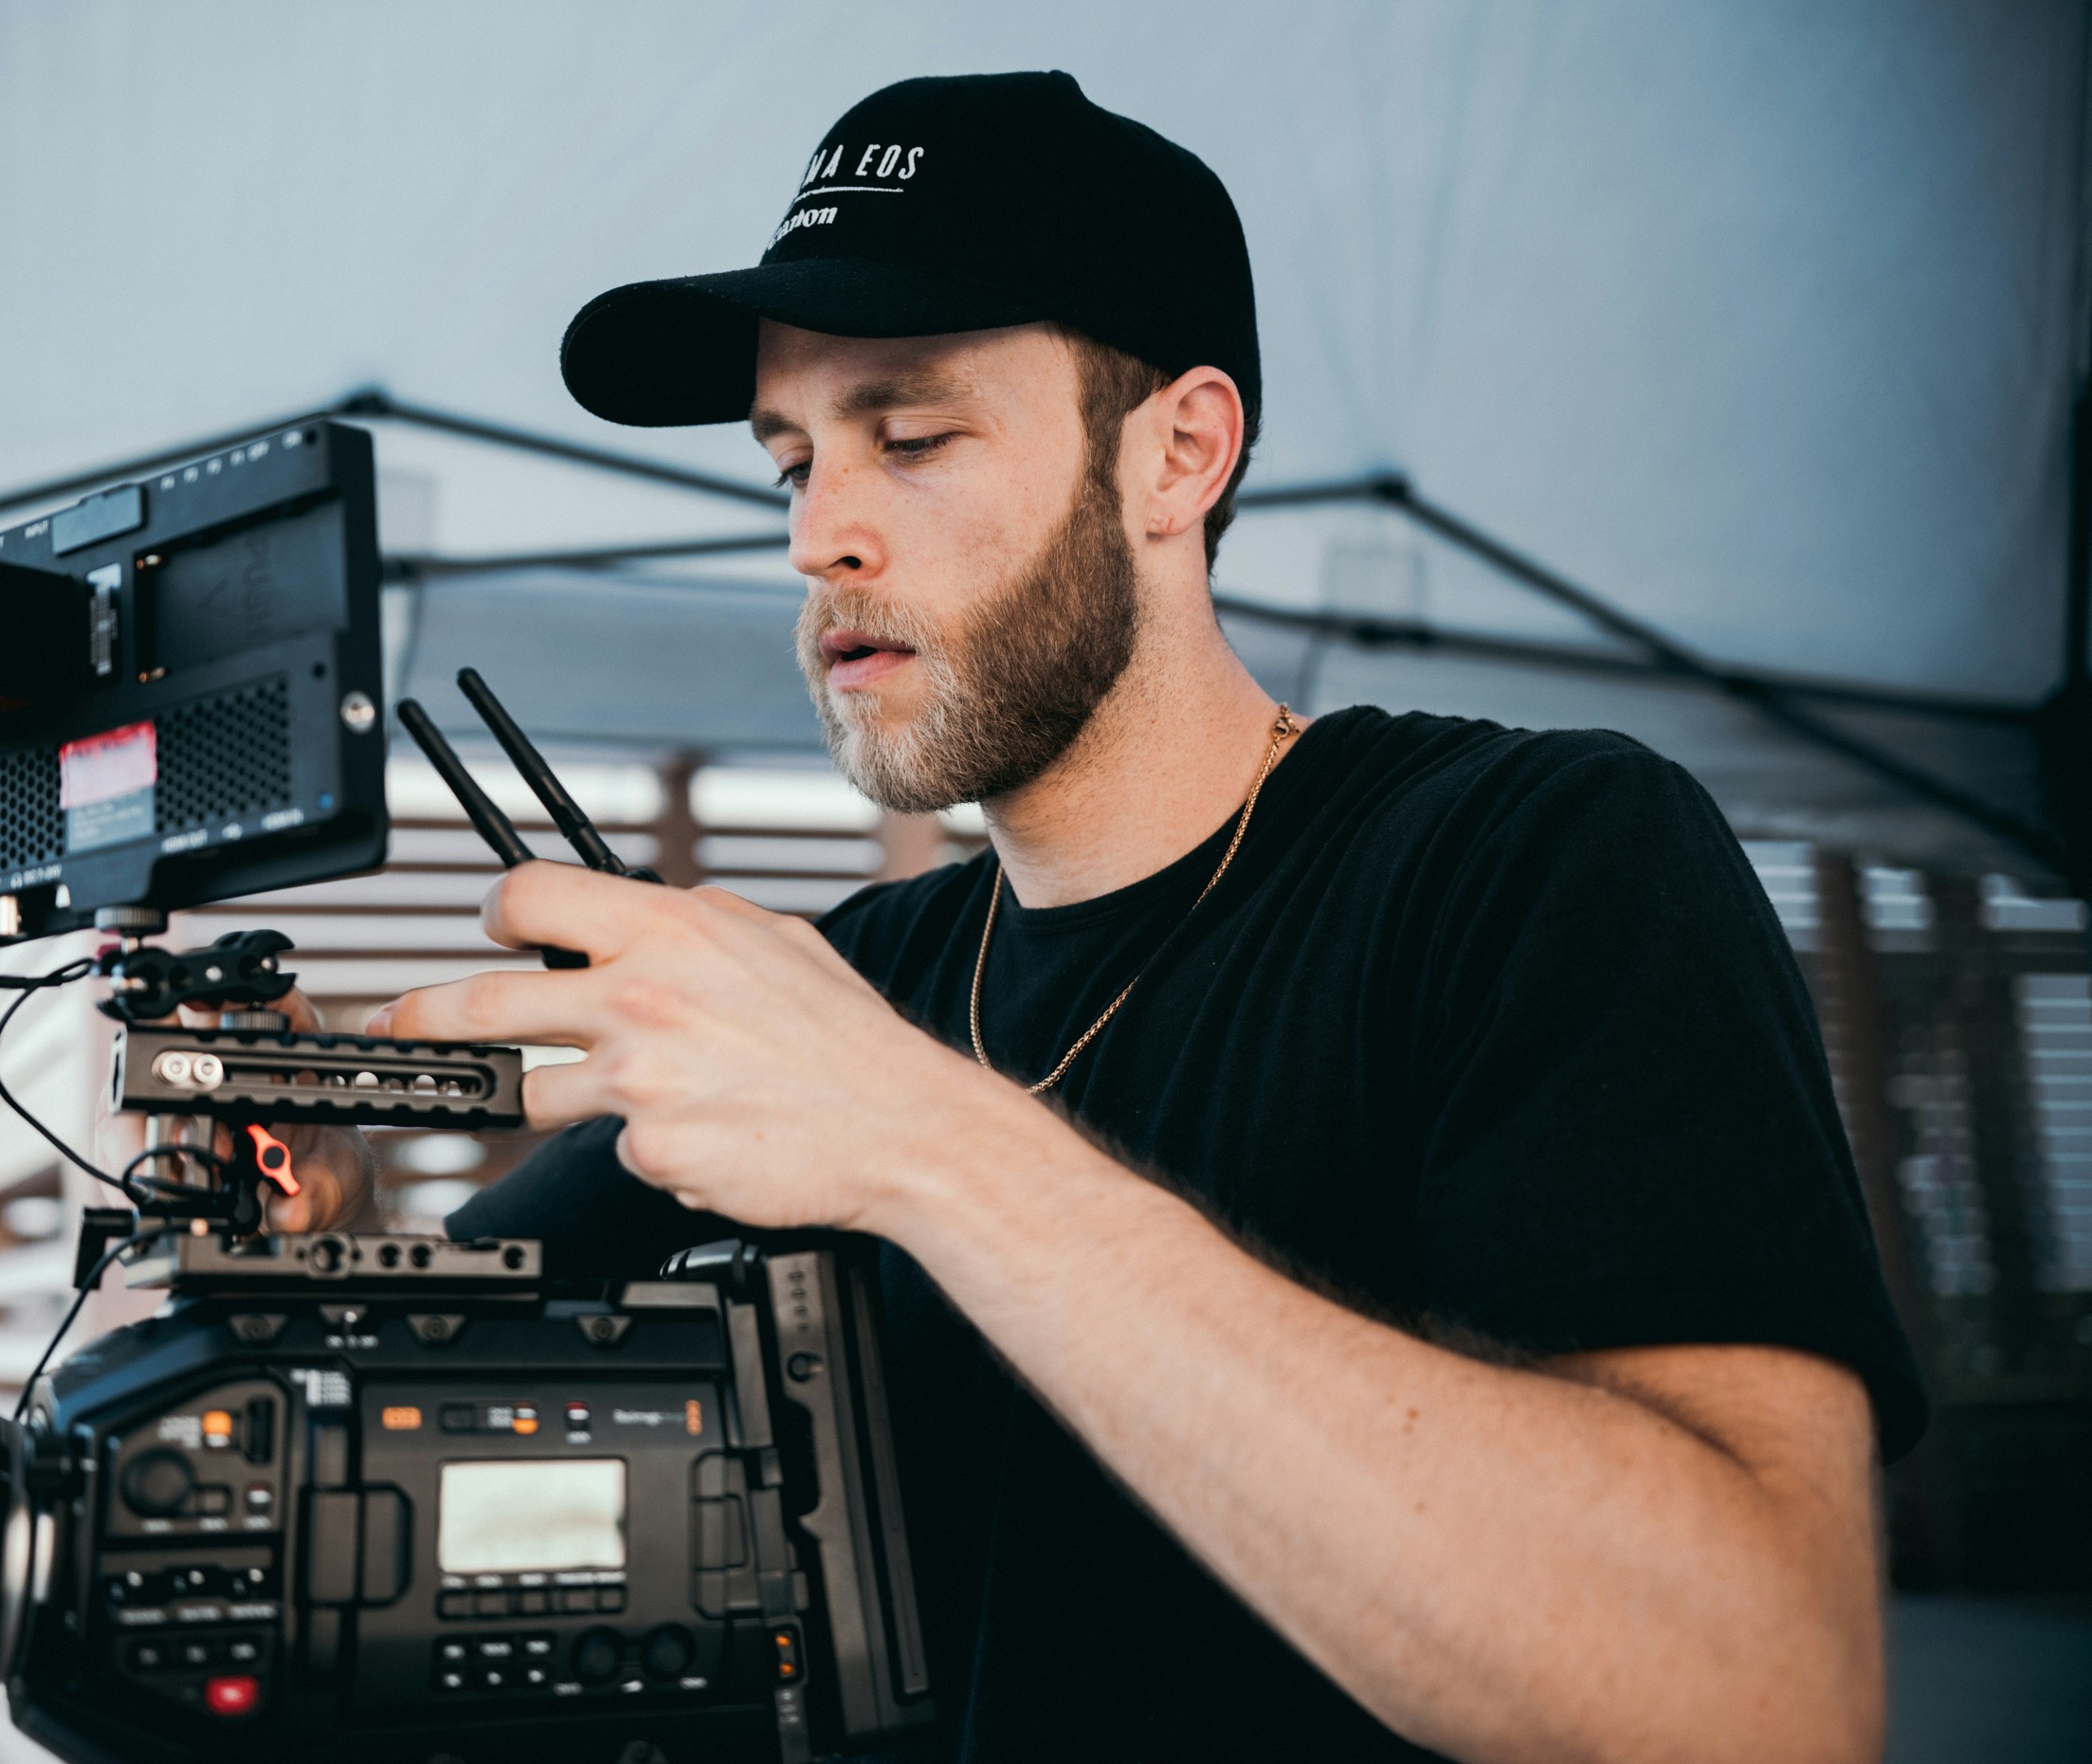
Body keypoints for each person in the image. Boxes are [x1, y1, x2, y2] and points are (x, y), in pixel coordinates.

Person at [262, 72, 1923, 1763]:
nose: (821, 534)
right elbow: (358, 1398)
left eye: (910, 438)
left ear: (1178, 454)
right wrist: (276, 1224)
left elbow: (1763, 1693)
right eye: (792, 464)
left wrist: (926, 1141)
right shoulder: (853, 987)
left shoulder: (1526, 859)